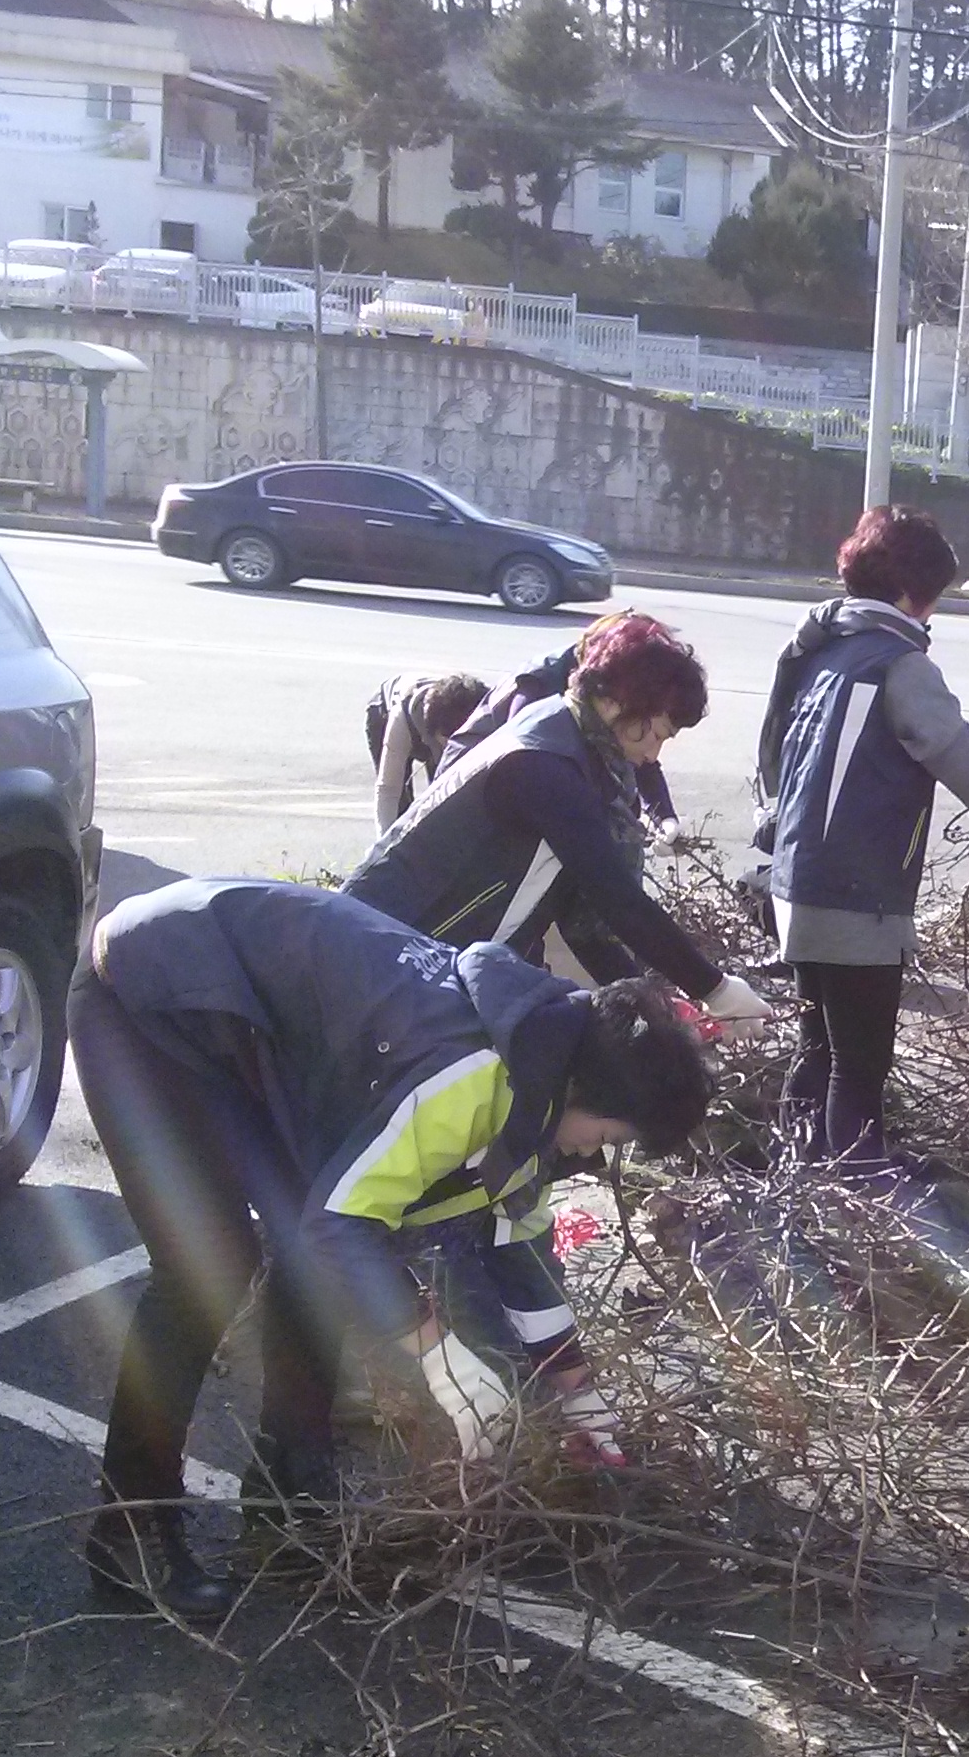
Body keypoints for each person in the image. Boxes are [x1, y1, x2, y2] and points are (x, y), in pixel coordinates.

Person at [70, 878, 715, 1621]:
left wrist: (577, 1389)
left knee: (311, 1254)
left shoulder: (543, 1088)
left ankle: (288, 1497)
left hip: (244, 1028)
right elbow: (343, 1225)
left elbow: (519, 1249)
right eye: (608, 1133)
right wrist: (439, 1357)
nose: (596, 1152)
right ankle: (130, 1532)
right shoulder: (471, 1077)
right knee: (206, 1267)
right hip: (149, 993)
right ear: (584, 1090)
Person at [756, 507, 969, 1164]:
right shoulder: (898, 664)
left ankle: (799, 1169)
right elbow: (950, 746)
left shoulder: (823, 650)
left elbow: (773, 749)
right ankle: (858, 1184)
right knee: (860, 1060)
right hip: (856, 892)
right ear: (913, 593)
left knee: (817, 1042)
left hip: (796, 876)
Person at [343, 610, 767, 1020]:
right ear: (618, 702)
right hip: (377, 957)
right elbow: (615, 896)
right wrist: (714, 988)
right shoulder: (545, 765)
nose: (653, 754)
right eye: (657, 734)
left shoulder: (572, 743)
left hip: (416, 960)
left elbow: (582, 921)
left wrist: (655, 1008)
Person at [446, 617, 679, 830]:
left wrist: (665, 817)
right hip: (468, 799)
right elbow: (525, 771)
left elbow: (637, 749)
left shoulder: (611, 696)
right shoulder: (538, 688)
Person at [364, 671, 492, 827]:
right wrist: (386, 838)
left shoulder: (488, 714)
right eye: (447, 743)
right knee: (399, 808)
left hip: (441, 720)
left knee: (442, 796)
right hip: (382, 715)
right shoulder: (402, 720)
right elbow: (388, 790)